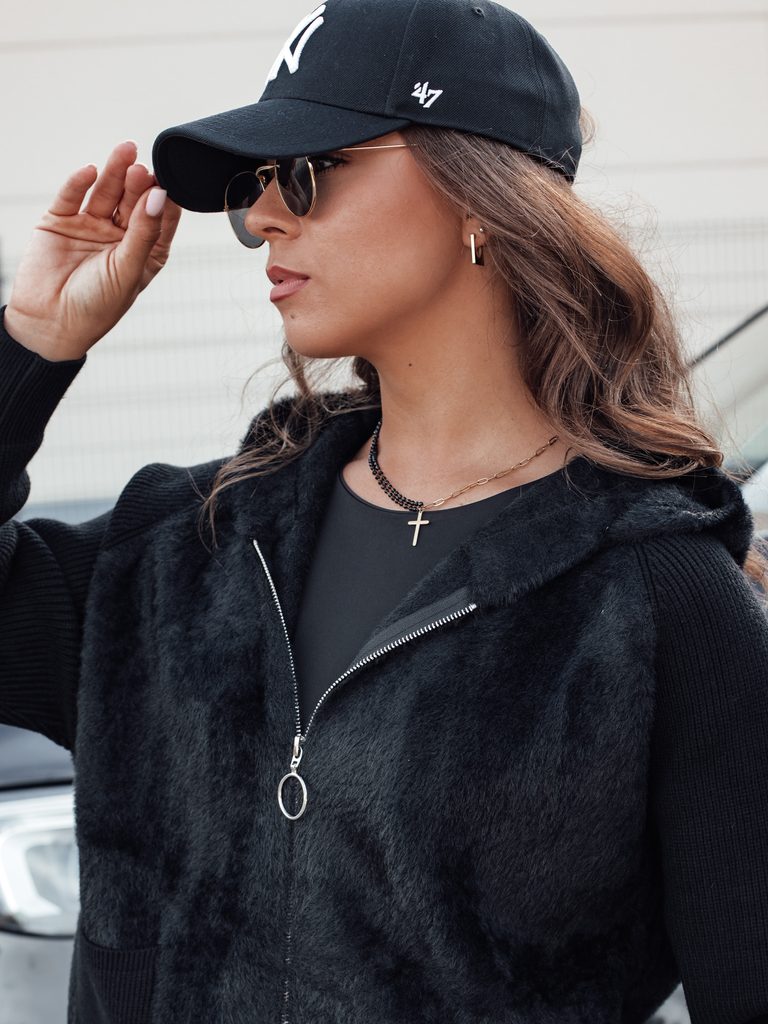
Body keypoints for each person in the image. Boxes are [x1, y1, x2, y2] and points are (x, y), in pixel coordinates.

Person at [1, 1, 767, 1022]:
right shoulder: (188, 543)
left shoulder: (661, 602)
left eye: (305, 172)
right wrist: (30, 342)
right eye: (253, 186)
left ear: (477, 196)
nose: (264, 218)